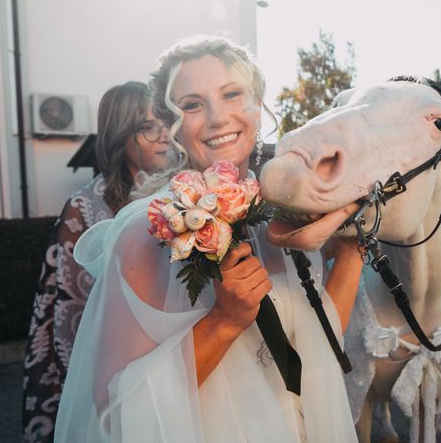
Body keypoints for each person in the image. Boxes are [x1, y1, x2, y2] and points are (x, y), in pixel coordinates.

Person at [54, 36, 364, 442]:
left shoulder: (280, 215)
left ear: (257, 105)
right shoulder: (145, 233)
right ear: (171, 124)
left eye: (232, 94)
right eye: (193, 104)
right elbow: (114, 416)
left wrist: (353, 251)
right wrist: (224, 321)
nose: (218, 117)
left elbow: (320, 342)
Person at [22, 81, 171, 442]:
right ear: (121, 136)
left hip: (169, 362)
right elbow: (69, 314)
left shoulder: (180, 194)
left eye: (166, 121)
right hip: (108, 373)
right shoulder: (85, 207)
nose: (164, 134)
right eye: (147, 127)